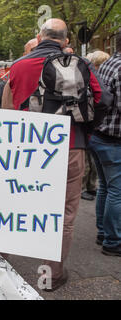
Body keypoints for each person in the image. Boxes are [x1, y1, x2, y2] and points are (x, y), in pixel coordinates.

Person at [1, 18, 105, 291]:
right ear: (66, 41)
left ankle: (1, 266)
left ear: (38, 36)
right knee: (65, 214)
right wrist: (85, 130)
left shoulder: (19, 66)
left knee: (16, 205)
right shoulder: (80, 65)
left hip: (27, 149)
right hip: (71, 145)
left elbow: (7, 110)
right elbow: (102, 98)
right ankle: (50, 276)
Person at [88, 30, 121, 256]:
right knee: (117, 191)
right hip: (113, 139)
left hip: (98, 134)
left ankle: (103, 232)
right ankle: (113, 241)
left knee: (105, 188)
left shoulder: (109, 64)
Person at [81, 50, 111, 201]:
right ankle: (84, 188)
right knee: (86, 162)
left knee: (93, 162)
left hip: (93, 128)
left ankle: (91, 186)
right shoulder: (89, 78)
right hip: (88, 126)